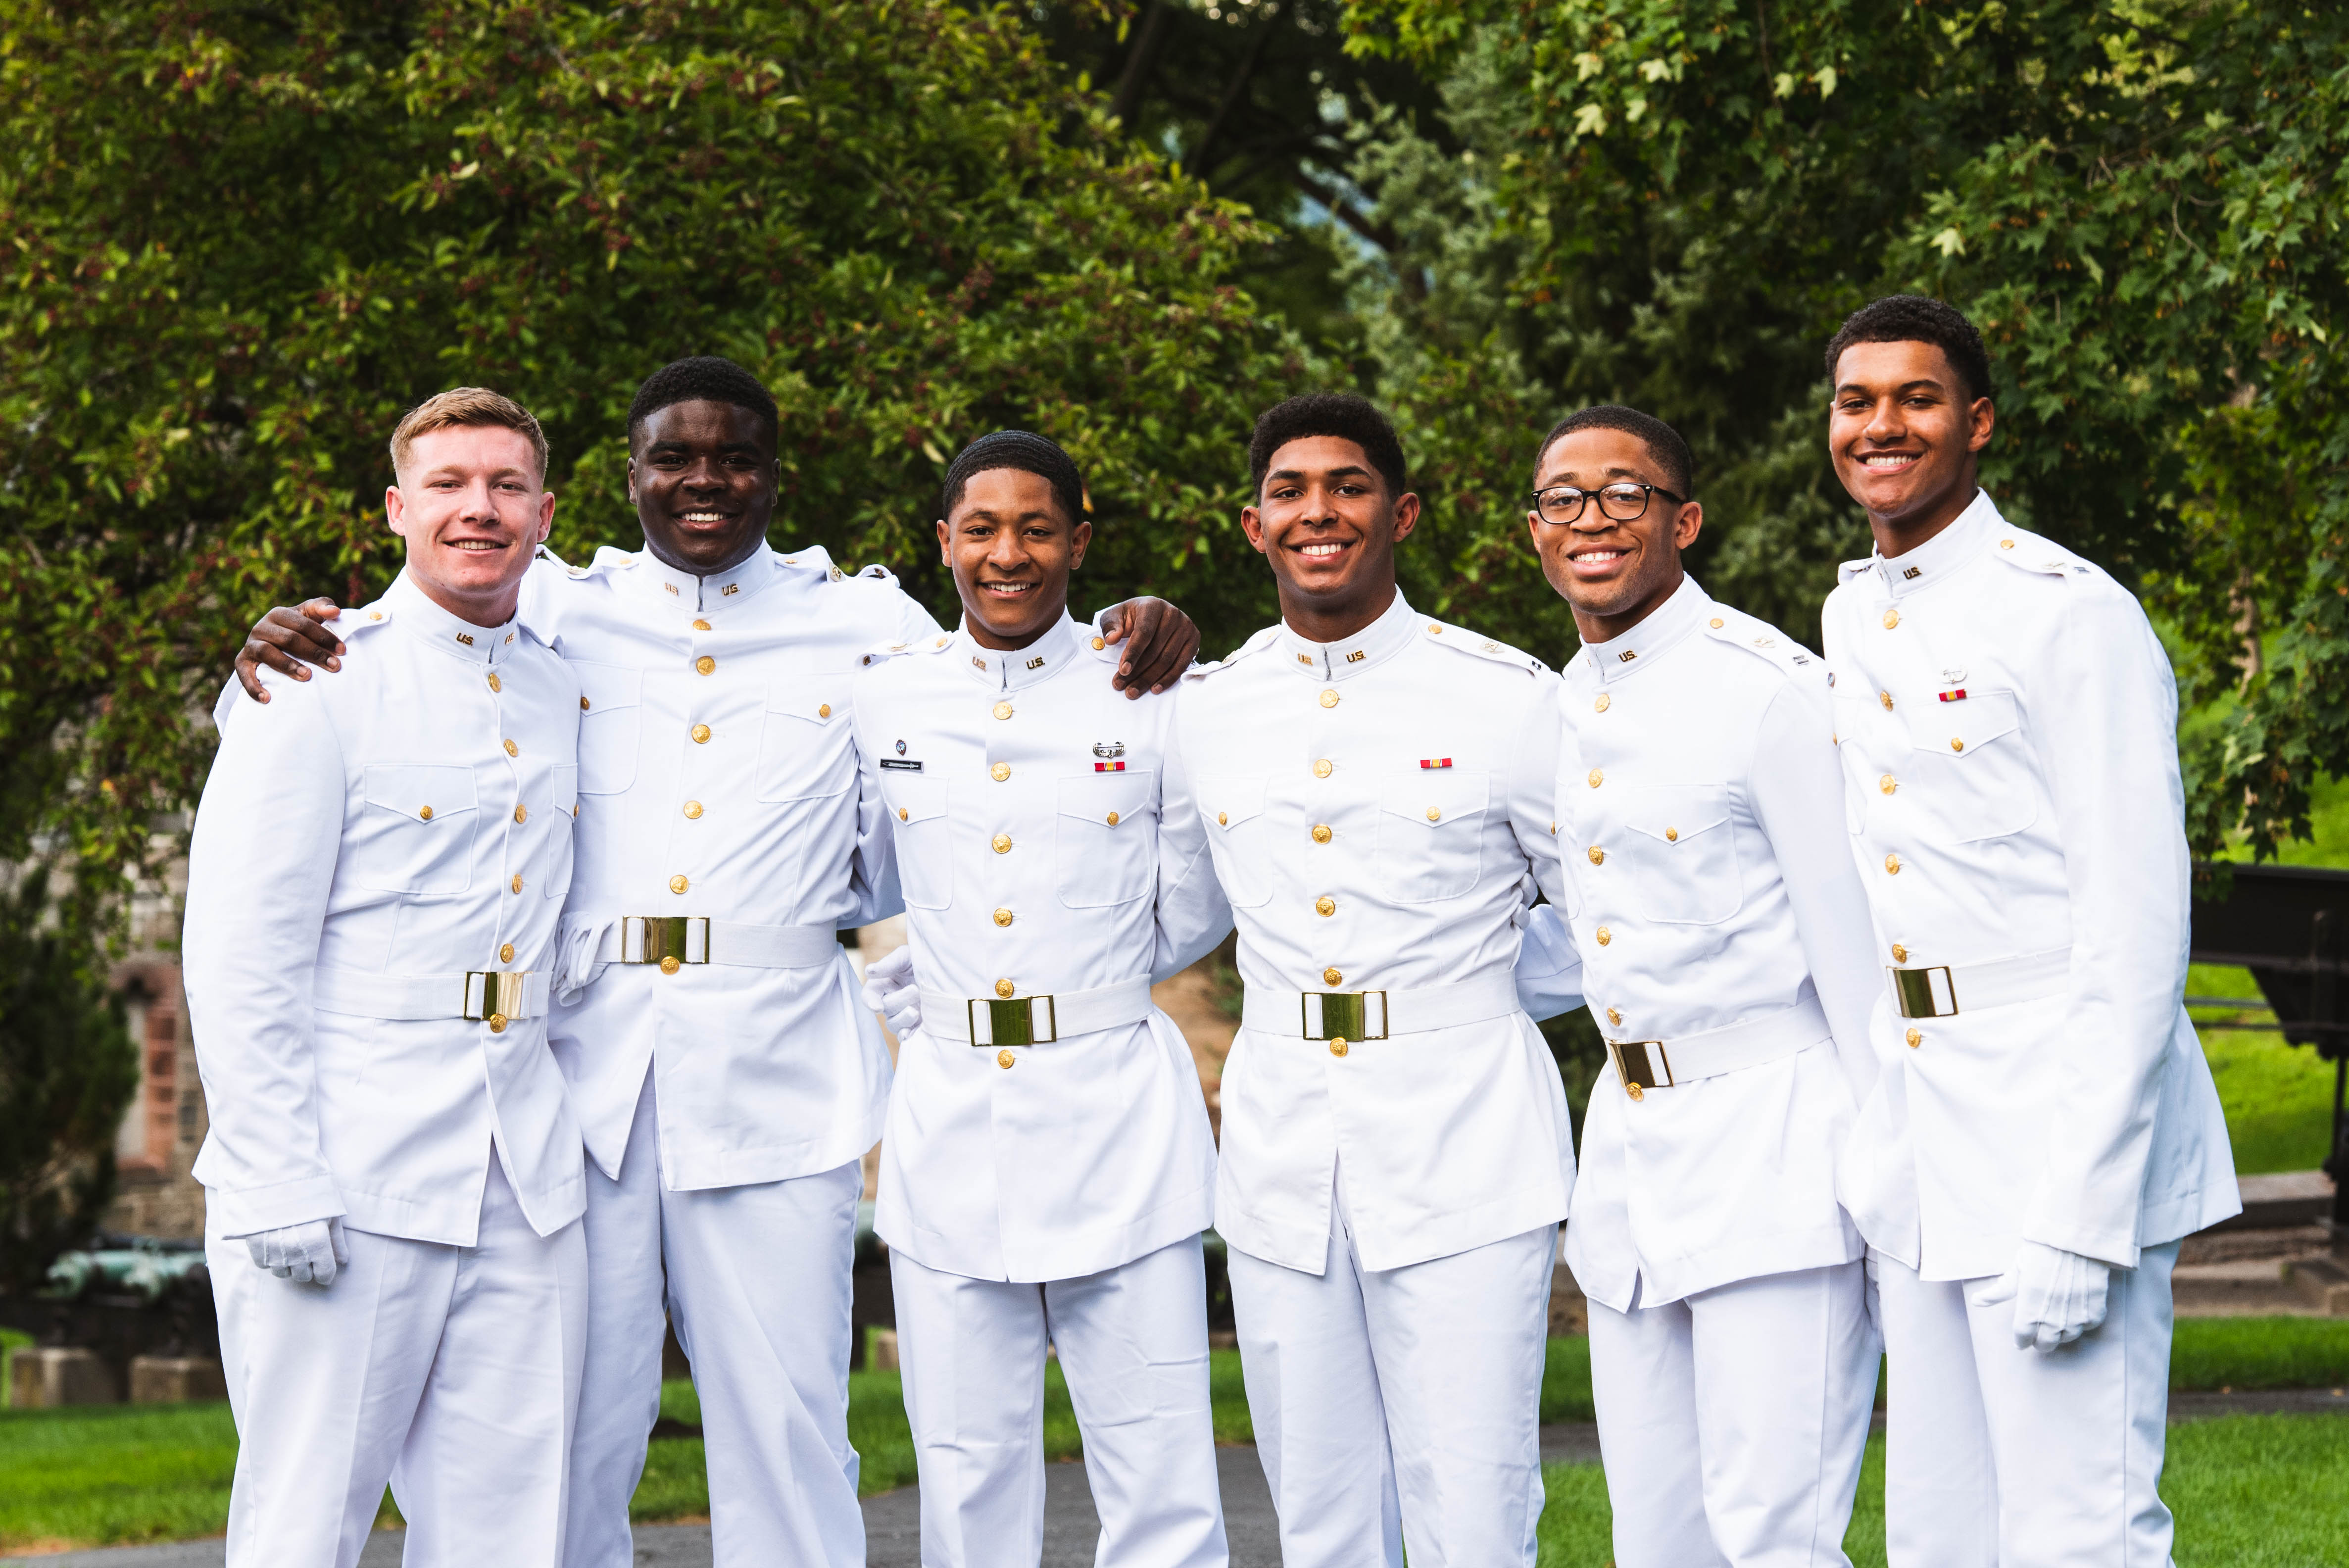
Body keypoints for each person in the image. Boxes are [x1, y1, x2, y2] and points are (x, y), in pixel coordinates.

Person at [228, 358, 1203, 1568]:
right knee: (566, 1439)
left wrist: (1137, 627)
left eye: (735, 459)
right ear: (627, 477)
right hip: (582, 1088)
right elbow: (417, 643)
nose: (706, 482)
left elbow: (1001, 695)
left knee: (788, 1429)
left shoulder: (865, 625)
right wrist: (274, 645)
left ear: (775, 478)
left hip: (778, 1076)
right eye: (674, 459)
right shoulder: (554, 607)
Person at [1817, 295, 2240, 1565]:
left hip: (2057, 1132)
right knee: (1941, 1537)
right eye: (1856, 402)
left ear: (1978, 423)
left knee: (2079, 1532)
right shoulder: (1852, 615)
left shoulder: (2068, 612)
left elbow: (2135, 930)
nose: (1881, 426)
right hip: (1925, 1144)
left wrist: (2081, 1208)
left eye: (1917, 399)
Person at [1167, 392, 1575, 1567]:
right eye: (1289, 493)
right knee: (1319, 1503)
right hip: (1287, 1143)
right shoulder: (1213, 705)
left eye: (1347, 487)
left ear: (1399, 513)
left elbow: (1599, 914)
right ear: (1255, 527)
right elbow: (1189, 906)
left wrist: (1475, 990)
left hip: (1466, 1136)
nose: (1318, 513)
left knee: (1475, 1496)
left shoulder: (1504, 693)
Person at [186, 389, 588, 1567]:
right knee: (306, 1527)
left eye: (508, 487)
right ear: (397, 509)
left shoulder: (563, 690)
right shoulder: (315, 678)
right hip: (349, 1171)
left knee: (510, 1533)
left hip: (523, 1176)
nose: (482, 509)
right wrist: (272, 1178)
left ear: (546, 513)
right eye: (452, 485)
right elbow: (240, 951)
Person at [847, 430, 1233, 1567]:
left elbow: (1193, 903)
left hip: (1118, 1108)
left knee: (1159, 1468)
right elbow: (867, 872)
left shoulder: (1154, 688)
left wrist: (1090, 982)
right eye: (981, 529)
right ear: (943, 544)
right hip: (953, 1119)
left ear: (1079, 539)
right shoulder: (888, 697)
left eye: (1035, 528)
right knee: (966, 1478)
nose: (1007, 554)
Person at [1513, 405, 1885, 1566]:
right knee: (1655, 1538)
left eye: (1624, 493)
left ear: (1685, 517)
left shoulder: (1768, 688)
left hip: (1775, 1148)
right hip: (1630, 1156)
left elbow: (1856, 950)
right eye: (1564, 498)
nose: (1593, 518)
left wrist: (1889, 1161)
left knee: (1774, 1534)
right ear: (1536, 532)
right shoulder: (1559, 705)